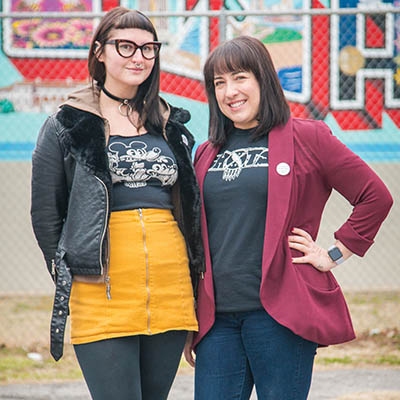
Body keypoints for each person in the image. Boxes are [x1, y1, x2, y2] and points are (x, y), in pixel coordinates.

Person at [184, 35, 393, 400]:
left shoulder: (307, 138)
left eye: (239, 77)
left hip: (279, 316)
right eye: (219, 83)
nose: (230, 91)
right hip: (217, 320)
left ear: (263, 79)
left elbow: (375, 196)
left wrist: (333, 253)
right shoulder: (206, 153)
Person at [31, 7, 204, 400]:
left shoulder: (170, 123)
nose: (137, 56)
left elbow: (187, 204)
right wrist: (69, 270)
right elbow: (46, 213)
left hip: (170, 285)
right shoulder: (68, 122)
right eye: (125, 46)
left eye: (148, 48)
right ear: (100, 52)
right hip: (101, 287)